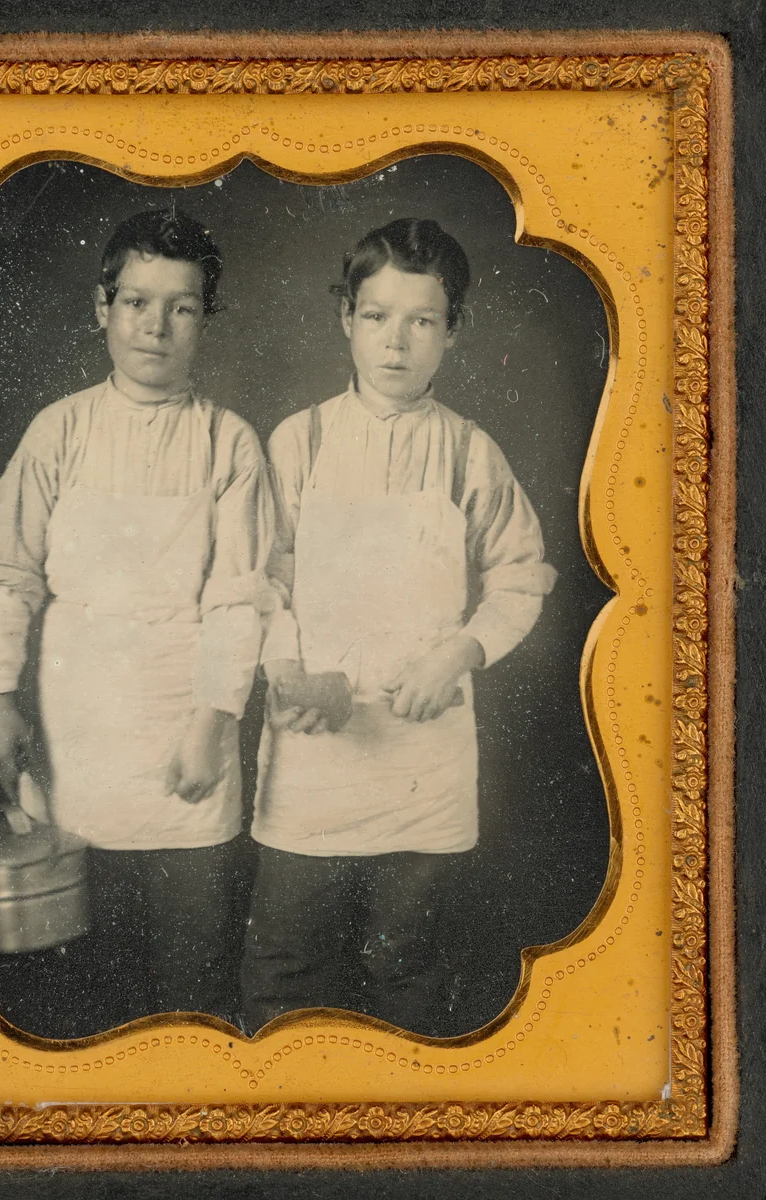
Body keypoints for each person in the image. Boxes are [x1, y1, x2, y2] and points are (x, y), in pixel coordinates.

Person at [242, 217, 557, 1033]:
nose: (396, 342)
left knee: (404, 962)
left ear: (452, 332)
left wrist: (458, 651)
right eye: (377, 316)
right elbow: (260, 580)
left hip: (423, 762)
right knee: (283, 963)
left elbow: (523, 573)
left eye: (422, 320)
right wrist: (287, 672)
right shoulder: (298, 442)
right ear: (346, 318)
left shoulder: (468, 453)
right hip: (313, 753)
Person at [0, 209, 277, 1026]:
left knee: (189, 983)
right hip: (76, 741)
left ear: (204, 320)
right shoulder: (58, 431)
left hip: (187, 739)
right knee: (80, 985)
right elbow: (8, 577)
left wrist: (214, 722)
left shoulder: (228, 443)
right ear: (101, 308)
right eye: (137, 302)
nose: (156, 325)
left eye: (180, 306)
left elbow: (238, 598)